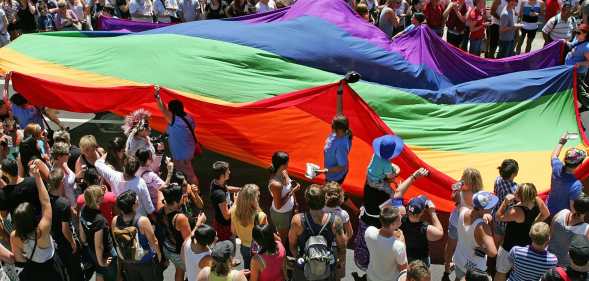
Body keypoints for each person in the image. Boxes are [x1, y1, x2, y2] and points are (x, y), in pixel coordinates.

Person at [354, 134, 427, 273]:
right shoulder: (396, 243)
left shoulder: (369, 187)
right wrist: (413, 177)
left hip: (369, 265)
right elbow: (397, 195)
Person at [10, 162, 64, 281]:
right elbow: (46, 202)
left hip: (34, 272)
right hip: (51, 268)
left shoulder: (14, 236)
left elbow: (20, 260)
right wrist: (37, 176)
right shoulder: (42, 229)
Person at [288, 184, 347, 281]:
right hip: (326, 267)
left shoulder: (297, 221)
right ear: (324, 200)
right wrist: (338, 264)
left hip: (305, 270)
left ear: (307, 201)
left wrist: (301, 259)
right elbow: (342, 248)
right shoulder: (335, 221)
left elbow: (292, 246)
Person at [495, 183, 551, 281]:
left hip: (509, 246)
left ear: (522, 196)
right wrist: (534, 223)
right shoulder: (537, 200)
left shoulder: (516, 211)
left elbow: (498, 217)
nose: (514, 192)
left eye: (517, 192)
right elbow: (546, 214)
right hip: (526, 246)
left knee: (501, 272)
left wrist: (505, 202)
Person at [111, 190, 163, 281]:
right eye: (137, 199)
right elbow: (154, 241)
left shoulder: (115, 220)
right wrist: (159, 256)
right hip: (146, 261)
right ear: (134, 205)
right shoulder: (142, 221)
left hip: (128, 262)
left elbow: (117, 242)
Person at [154, 88, 199, 185]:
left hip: (181, 154)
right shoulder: (188, 117)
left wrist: (157, 95)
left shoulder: (174, 119)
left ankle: (197, 193)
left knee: (189, 174)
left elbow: (162, 109)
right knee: (183, 173)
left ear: (172, 110)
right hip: (188, 150)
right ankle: (189, 191)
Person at [453, 191, 499, 281]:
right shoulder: (482, 227)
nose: (492, 209)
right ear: (482, 209)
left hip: (459, 260)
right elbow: (493, 252)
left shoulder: (463, 210)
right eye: (490, 207)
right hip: (474, 269)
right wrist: (482, 248)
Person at [47, 168, 82, 281]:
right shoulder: (63, 204)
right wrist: (72, 243)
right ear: (62, 182)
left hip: (54, 241)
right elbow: (65, 229)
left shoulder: (46, 198)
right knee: (75, 270)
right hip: (65, 242)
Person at [79, 185, 117, 281]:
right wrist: (102, 262)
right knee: (111, 277)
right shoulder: (99, 220)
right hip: (106, 254)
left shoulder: (83, 208)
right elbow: (99, 245)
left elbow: (81, 230)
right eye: (101, 196)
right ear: (97, 200)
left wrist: (85, 242)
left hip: (92, 251)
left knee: (100, 272)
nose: (103, 196)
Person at [155, 184, 192, 281]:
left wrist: (169, 185)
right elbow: (189, 240)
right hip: (178, 253)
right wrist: (199, 223)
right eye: (181, 195)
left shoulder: (160, 206)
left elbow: (160, 190)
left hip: (167, 248)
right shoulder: (180, 218)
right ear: (176, 201)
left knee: (179, 270)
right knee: (190, 271)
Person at [364, 205, 407, 281]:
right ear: (392, 225)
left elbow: (380, 232)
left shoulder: (369, 231)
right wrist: (402, 241)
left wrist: (393, 235)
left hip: (371, 277)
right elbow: (403, 269)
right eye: (400, 219)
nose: (401, 219)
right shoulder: (399, 246)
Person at [230, 184, 266, 270]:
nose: (259, 198)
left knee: (247, 267)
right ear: (254, 200)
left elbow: (233, 231)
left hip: (244, 247)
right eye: (258, 196)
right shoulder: (261, 216)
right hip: (257, 249)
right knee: (259, 269)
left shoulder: (233, 210)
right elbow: (265, 236)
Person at [547, 133, 585, 215]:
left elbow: (554, 155)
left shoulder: (556, 167)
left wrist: (562, 141)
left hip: (549, 206)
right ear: (579, 165)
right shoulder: (576, 185)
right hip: (561, 215)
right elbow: (573, 208)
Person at [400, 195, 444, 266]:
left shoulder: (400, 221)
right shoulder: (425, 228)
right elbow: (440, 233)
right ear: (422, 212)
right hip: (421, 261)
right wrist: (432, 213)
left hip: (405, 258)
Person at [549, 195, 589, 267]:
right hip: (565, 266)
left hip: (549, 258)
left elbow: (550, 233)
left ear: (574, 205)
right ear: (586, 212)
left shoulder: (562, 212)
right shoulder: (586, 229)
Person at [268, 152, 299, 244]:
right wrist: (292, 191)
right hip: (281, 214)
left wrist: (296, 203)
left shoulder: (283, 171)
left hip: (287, 212)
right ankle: (281, 254)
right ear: (283, 164)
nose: (288, 164)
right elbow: (278, 206)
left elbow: (289, 183)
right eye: (287, 162)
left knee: (282, 231)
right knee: (282, 238)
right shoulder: (276, 184)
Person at [323, 182, 352, 279]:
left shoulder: (320, 210)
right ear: (340, 198)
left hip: (323, 244)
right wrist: (344, 242)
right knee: (338, 268)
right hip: (338, 246)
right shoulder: (343, 214)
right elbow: (350, 232)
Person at [493, 159, 519, 246]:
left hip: (496, 217)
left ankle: (492, 259)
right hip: (506, 221)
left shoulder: (497, 180)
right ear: (513, 174)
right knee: (504, 245)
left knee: (495, 243)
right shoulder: (515, 189)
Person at [566, 24, 589, 111]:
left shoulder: (587, 47)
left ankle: (587, 104)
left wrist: (579, 63)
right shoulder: (577, 39)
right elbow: (572, 45)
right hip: (571, 71)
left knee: (580, 92)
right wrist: (564, 42)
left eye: (579, 33)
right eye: (576, 32)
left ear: (585, 34)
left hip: (578, 73)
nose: (576, 34)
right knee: (575, 90)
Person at [51, 142, 77, 208]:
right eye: (67, 153)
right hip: (70, 206)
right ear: (59, 156)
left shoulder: (64, 164)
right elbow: (61, 195)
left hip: (75, 201)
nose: (70, 154)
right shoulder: (57, 173)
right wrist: (71, 209)